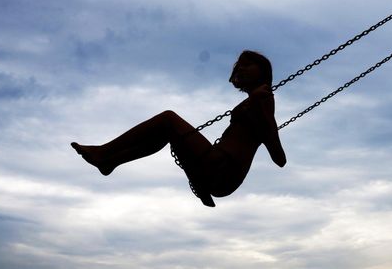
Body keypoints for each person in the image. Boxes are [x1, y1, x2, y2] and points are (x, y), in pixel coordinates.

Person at [71, 50, 286, 207]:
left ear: (263, 70)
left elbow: (279, 158)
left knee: (168, 119)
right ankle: (110, 161)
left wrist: (264, 115)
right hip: (218, 169)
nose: (240, 67)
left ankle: (105, 153)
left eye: (247, 64)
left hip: (223, 169)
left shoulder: (264, 99)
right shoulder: (257, 99)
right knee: (166, 133)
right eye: (239, 64)